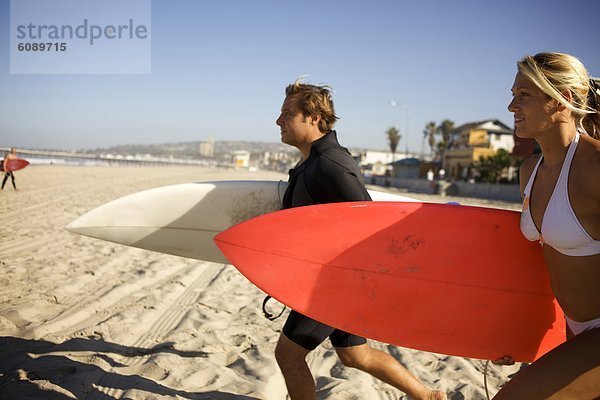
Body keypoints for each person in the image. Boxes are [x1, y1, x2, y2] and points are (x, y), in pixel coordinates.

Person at [274, 80, 446, 400]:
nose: (278, 121)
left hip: (335, 285)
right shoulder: (311, 162)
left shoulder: (330, 165)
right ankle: (428, 396)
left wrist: (367, 287)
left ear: (313, 117)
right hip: (333, 279)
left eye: (287, 113)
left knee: (288, 355)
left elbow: (370, 227)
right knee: (355, 356)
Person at [495, 52, 600, 398]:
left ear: (562, 101)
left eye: (524, 95)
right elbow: (547, 265)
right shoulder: (530, 172)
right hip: (575, 332)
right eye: (513, 95)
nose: (512, 106)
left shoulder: (594, 169)